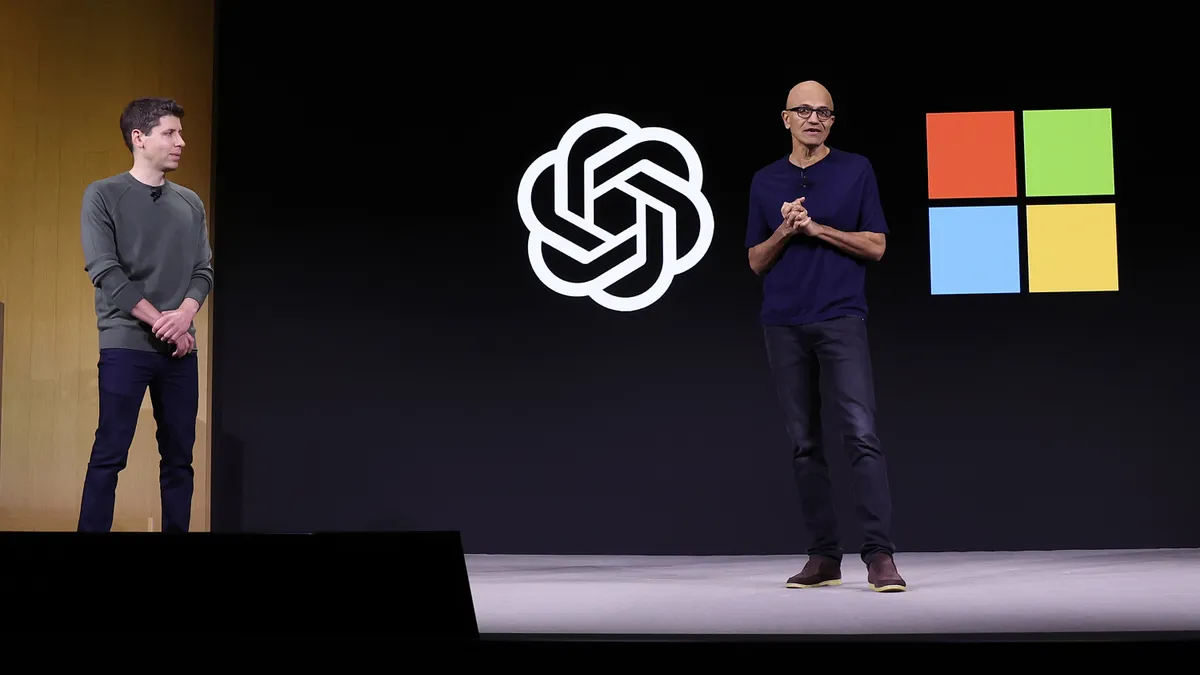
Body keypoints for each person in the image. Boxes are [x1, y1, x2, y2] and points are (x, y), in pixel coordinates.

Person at [745, 81, 906, 592]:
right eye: (804, 110)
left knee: (861, 435)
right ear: (786, 119)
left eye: (824, 112)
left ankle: (879, 556)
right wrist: (785, 232)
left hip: (840, 318)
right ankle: (823, 557)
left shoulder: (856, 169)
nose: (814, 118)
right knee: (804, 444)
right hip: (783, 323)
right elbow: (755, 260)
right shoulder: (765, 181)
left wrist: (817, 230)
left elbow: (877, 246)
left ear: (832, 121)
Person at [77, 97, 214, 533]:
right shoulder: (102, 194)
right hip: (126, 345)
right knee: (109, 454)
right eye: (170, 133)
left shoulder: (190, 203)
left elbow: (203, 269)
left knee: (179, 460)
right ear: (139, 138)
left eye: (180, 133)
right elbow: (106, 272)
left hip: (179, 352)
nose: (181, 142)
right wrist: (165, 323)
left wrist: (186, 313)